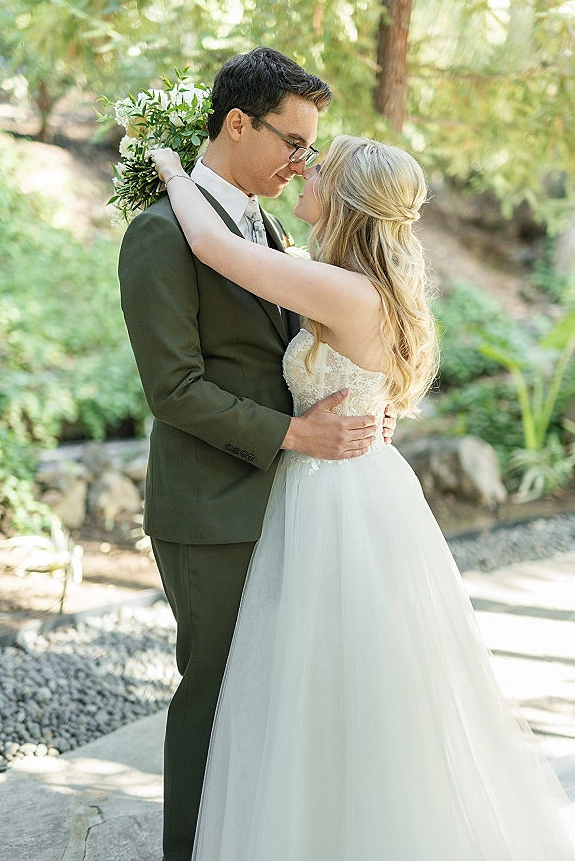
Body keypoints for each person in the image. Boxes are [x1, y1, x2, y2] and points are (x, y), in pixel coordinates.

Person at [151, 135, 575, 860]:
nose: (303, 171)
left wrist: (165, 164)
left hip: (333, 496)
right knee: (340, 673)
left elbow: (211, 247)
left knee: (322, 674)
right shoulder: (345, 278)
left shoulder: (343, 289)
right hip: (356, 481)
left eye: (319, 167)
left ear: (344, 198)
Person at [118, 48, 396, 861]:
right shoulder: (161, 232)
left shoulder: (264, 225)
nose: (302, 161)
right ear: (237, 123)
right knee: (213, 695)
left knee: (270, 696)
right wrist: (298, 435)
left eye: (311, 149)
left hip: (286, 500)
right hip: (211, 506)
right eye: (293, 141)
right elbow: (174, 388)